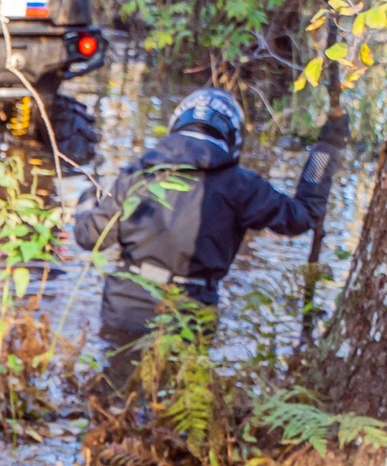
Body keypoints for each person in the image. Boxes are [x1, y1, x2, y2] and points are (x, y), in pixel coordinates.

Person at [73, 86, 347, 387]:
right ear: (232, 138)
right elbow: (303, 215)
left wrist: (86, 203)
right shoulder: (242, 185)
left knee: (117, 396)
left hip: (125, 308)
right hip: (192, 311)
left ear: (177, 126)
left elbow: (88, 237)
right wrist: (326, 149)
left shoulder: (138, 173)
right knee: (177, 403)